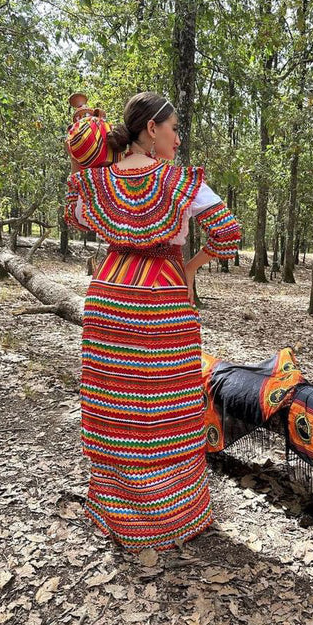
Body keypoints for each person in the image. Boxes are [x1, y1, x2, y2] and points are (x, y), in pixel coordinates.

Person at [65, 91, 241, 552]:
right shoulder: (178, 183)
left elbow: (76, 215)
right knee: (166, 406)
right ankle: (170, 515)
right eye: (174, 129)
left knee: (116, 404)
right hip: (162, 298)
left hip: (109, 293)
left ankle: (118, 510)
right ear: (151, 129)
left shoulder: (98, 180)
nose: (178, 138)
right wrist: (190, 267)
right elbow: (228, 233)